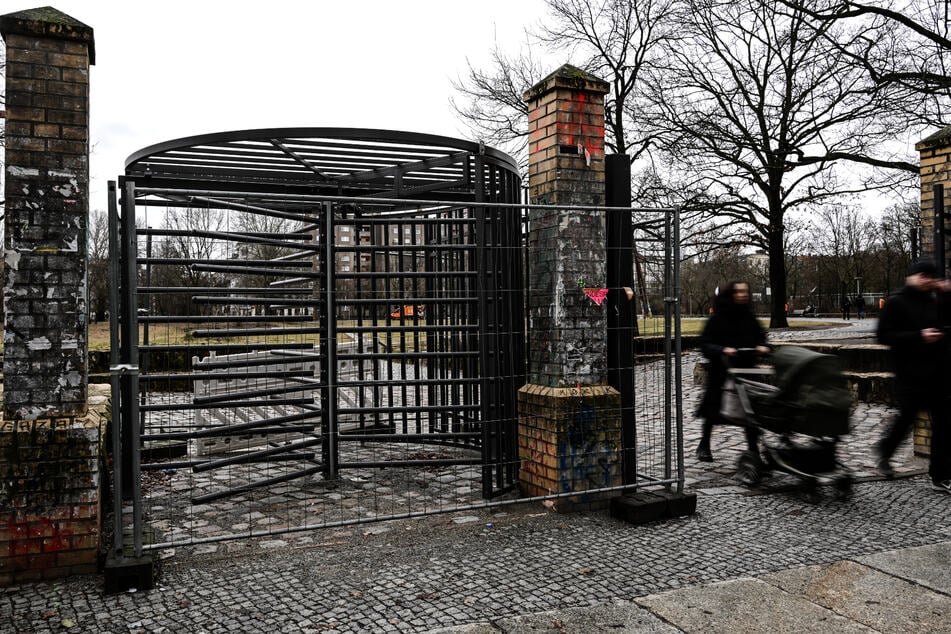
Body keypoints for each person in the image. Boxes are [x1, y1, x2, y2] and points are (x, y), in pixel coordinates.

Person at [875, 258, 951, 493]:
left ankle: (940, 475)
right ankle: (886, 450)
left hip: (936, 374)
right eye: (924, 276)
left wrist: (946, 294)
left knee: (944, 424)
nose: (928, 280)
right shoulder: (896, 302)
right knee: (906, 418)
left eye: (932, 277)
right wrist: (919, 336)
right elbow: (883, 336)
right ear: (912, 276)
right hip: (909, 374)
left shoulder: (934, 300)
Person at [695, 281, 770, 462]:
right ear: (731, 294)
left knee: (750, 412)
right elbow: (705, 343)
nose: (743, 295)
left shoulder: (750, 318)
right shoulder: (717, 319)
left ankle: (753, 450)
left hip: (746, 371)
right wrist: (722, 350)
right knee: (713, 410)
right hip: (722, 370)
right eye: (739, 292)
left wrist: (763, 348)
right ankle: (704, 444)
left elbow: (762, 339)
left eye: (745, 291)